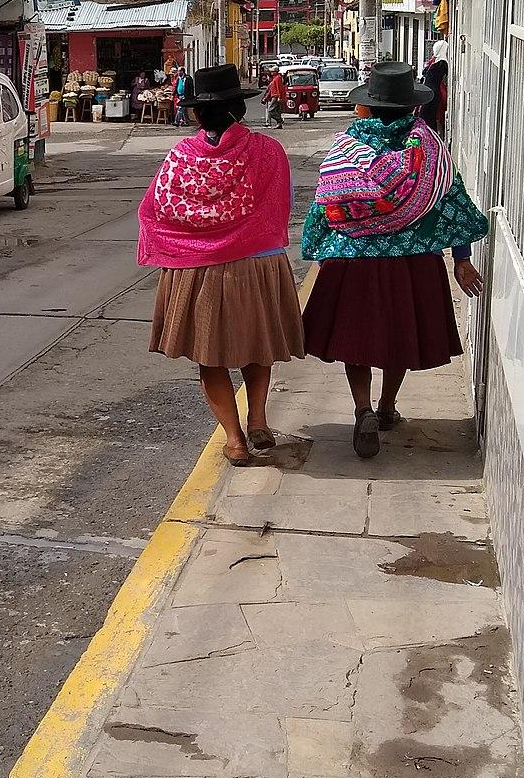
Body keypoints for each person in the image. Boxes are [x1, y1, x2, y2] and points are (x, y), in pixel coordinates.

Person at [299, 59, 487, 459]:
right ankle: (386, 408)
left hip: (353, 262)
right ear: (411, 107)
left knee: (358, 342)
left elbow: (324, 205)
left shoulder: (346, 148)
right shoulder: (429, 150)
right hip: (412, 264)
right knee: (396, 340)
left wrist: (317, 249)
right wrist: (462, 258)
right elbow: (452, 204)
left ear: (368, 106)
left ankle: (362, 407)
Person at [140, 64, 303, 466]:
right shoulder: (268, 151)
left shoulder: (180, 158)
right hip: (258, 265)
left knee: (209, 357)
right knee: (257, 345)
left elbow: (157, 210)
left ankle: (234, 439)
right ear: (240, 110)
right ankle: (259, 419)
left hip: (197, 270)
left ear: (197, 114)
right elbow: (280, 207)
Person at [421, 40, 450, 138]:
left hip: (433, 94)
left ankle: (431, 138)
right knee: (425, 117)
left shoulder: (442, 63)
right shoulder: (435, 60)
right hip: (428, 93)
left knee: (429, 118)